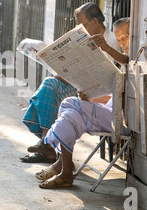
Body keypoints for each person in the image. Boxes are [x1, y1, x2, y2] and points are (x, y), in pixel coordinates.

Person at [20, 3, 124, 164]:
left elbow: (112, 74)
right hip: (77, 83)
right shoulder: (82, 37)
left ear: (95, 21)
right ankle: (46, 143)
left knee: (50, 95)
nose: (78, 27)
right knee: (49, 83)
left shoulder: (112, 41)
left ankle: (46, 144)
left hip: (97, 91)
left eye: (82, 24)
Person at [35, 17, 130, 189]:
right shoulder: (125, 63)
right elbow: (114, 97)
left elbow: (127, 63)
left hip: (123, 121)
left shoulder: (135, 61)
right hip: (109, 114)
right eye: (120, 40)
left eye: (126, 37)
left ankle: (60, 165)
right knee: (71, 114)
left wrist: (107, 48)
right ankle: (64, 172)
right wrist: (91, 97)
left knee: (68, 103)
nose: (123, 43)